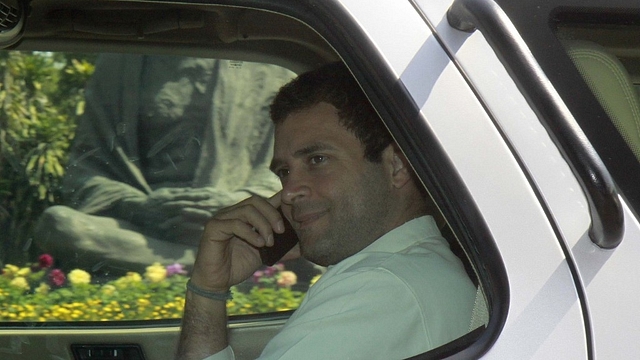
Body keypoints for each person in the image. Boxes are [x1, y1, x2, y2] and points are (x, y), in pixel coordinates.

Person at [175, 62, 478, 360]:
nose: (290, 191)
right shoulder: (412, 270)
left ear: (396, 165)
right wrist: (208, 290)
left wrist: (205, 291)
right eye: (284, 172)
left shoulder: (378, 288)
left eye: (317, 160)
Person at [33, 54, 295, 272]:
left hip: (239, 227)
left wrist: (232, 207)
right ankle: (212, 265)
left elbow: (291, 170)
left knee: (304, 233)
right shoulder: (119, 62)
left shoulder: (270, 62)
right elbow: (85, 173)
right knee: (59, 225)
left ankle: (204, 263)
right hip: (143, 229)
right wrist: (141, 209)